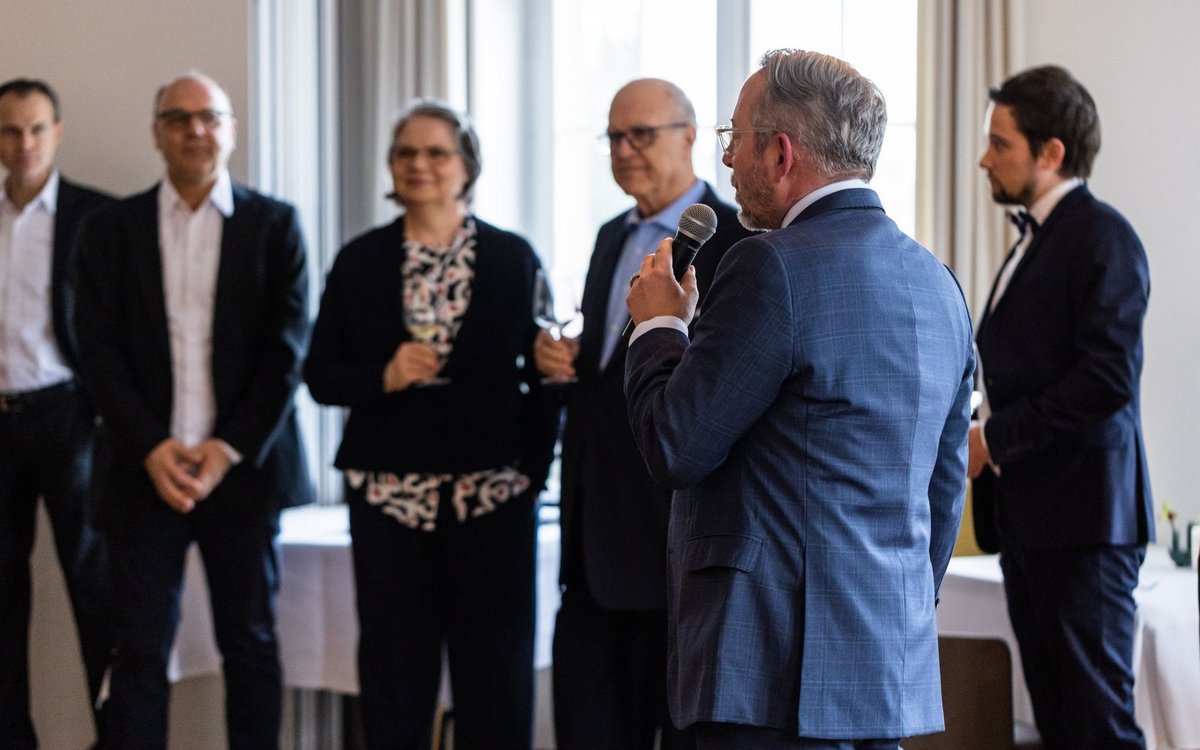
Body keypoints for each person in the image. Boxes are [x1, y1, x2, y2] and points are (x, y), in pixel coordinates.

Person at [623, 49, 975, 750]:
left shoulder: (769, 265)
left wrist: (659, 326)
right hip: (883, 670)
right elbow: (943, 488)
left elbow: (675, 445)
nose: (727, 161)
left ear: (781, 153)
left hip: (767, 673)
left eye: (735, 139)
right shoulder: (940, 284)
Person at [304, 99, 558, 750]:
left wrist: (531, 473)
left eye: (436, 152)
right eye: (406, 153)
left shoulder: (511, 256)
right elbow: (319, 374)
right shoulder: (360, 259)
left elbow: (546, 370)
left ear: (466, 165)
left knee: (496, 679)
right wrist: (383, 376)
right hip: (390, 498)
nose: (419, 164)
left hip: (493, 497)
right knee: (394, 679)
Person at [74, 72, 312, 749]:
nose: (194, 130)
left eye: (209, 117)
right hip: (140, 471)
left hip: (242, 470)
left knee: (251, 643)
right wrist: (152, 447)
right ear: (157, 133)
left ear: (231, 130)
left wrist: (223, 450)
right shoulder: (109, 231)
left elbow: (286, 350)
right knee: (139, 650)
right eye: (177, 119)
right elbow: (96, 348)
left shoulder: (274, 225)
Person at [533, 77, 751, 750]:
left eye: (642, 134)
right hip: (592, 544)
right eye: (615, 137)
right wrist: (569, 364)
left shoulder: (740, 241)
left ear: (690, 137)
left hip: (676, 546)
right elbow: (615, 374)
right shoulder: (610, 236)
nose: (625, 150)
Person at [969, 65, 1153, 749]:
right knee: (1059, 726)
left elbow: (1107, 381)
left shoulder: (1103, 237)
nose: (984, 159)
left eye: (1000, 143)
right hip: (1035, 523)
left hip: (1084, 526)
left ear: (1051, 152)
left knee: (1098, 729)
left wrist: (993, 440)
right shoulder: (1036, 240)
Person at [0, 77, 113, 750]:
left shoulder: (96, 219)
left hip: (68, 415)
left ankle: (115, 737)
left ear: (58, 132)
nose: (24, 144)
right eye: (11, 131)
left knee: (95, 587)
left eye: (37, 129)